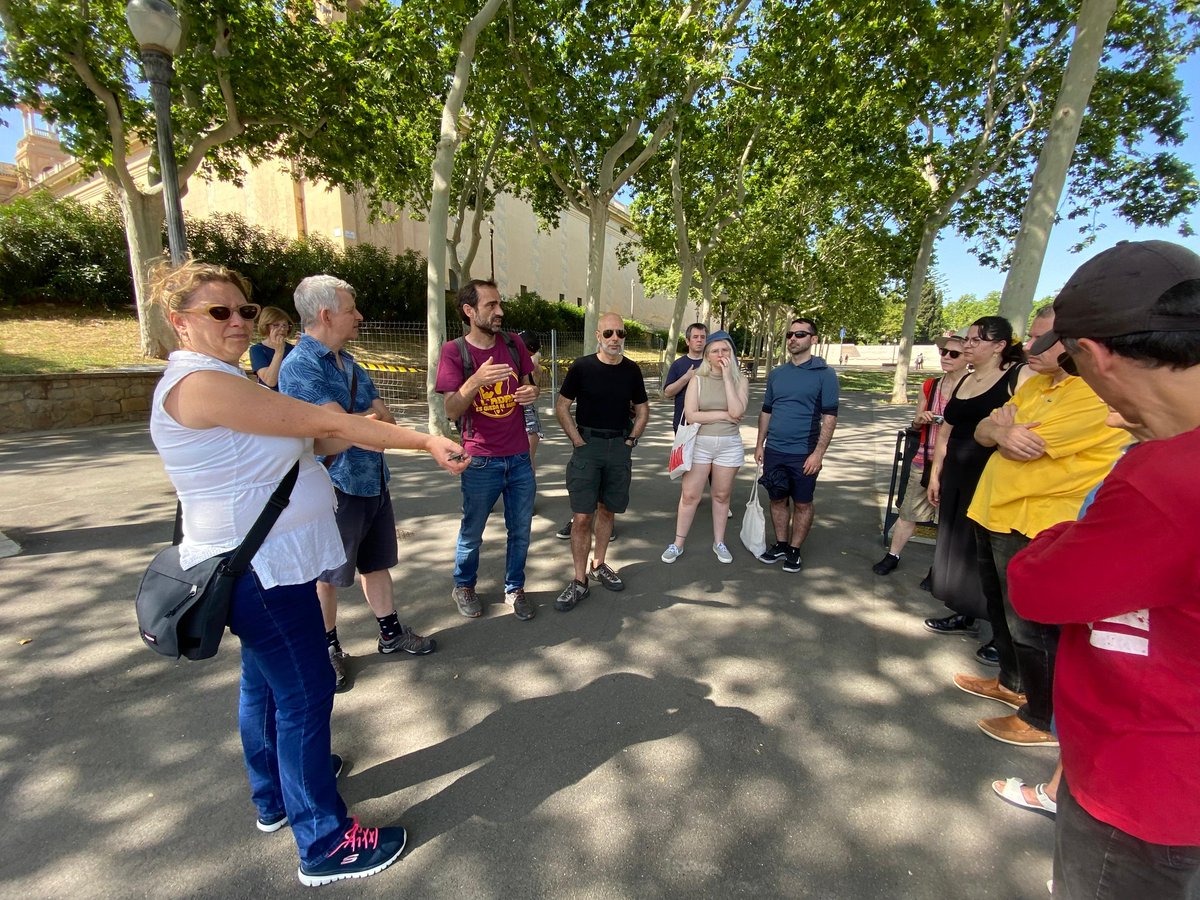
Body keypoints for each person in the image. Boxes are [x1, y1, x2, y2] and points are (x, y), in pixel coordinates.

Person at [147, 260, 467, 886]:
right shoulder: (202, 383)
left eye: (243, 309)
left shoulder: (221, 379)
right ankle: (324, 842)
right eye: (220, 312)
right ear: (179, 322)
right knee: (305, 692)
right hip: (261, 571)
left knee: (265, 687)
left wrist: (343, 430)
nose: (239, 320)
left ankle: (275, 798)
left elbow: (309, 441)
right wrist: (420, 440)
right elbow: (322, 424)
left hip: (261, 566)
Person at [1009, 240, 1200, 898]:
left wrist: (1068, 529)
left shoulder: (1164, 478)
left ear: (1093, 355)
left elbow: (1038, 584)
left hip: (1144, 778)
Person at [951, 307, 1124, 747]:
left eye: (1043, 339)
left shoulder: (1095, 394)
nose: (1029, 346)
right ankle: (1011, 682)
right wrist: (999, 430)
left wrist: (1004, 434)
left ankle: (1042, 717)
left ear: (1076, 343)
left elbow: (1027, 445)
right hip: (994, 511)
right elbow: (985, 432)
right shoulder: (1039, 385)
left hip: (1038, 521)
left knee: (1033, 624)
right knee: (1000, 608)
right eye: (1031, 337)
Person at [279, 275, 435, 694]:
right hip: (335, 488)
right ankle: (327, 649)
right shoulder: (300, 366)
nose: (359, 316)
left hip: (372, 480)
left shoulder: (350, 363)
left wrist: (359, 424)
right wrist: (359, 425)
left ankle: (390, 634)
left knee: (376, 562)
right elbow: (331, 430)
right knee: (326, 575)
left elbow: (383, 419)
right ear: (326, 314)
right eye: (352, 309)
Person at [924, 316, 1025, 664]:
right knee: (958, 546)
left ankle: (1004, 636)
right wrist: (936, 474)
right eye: (967, 339)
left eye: (976, 340)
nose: (967, 345)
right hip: (955, 473)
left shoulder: (1015, 377)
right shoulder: (966, 378)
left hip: (991, 477)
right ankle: (964, 612)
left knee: (989, 554)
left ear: (999, 346)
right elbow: (947, 432)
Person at [436, 280, 538, 622]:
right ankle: (463, 585)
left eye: (499, 304)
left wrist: (531, 393)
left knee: (520, 529)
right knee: (472, 530)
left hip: (519, 457)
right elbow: (451, 409)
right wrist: (476, 380)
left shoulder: (513, 343)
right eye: (491, 305)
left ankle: (515, 588)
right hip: (480, 459)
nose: (500, 311)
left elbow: (532, 383)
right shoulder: (454, 352)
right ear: (469, 311)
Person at [554, 312, 649, 610]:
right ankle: (579, 580)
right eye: (608, 333)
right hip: (588, 447)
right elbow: (562, 406)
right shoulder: (581, 367)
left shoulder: (632, 370)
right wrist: (577, 440)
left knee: (608, 511)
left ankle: (600, 565)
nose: (615, 339)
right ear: (598, 335)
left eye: (620, 333)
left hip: (619, 447)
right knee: (582, 516)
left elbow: (643, 409)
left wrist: (631, 440)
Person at [872, 332, 967, 575]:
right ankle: (893, 555)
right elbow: (915, 423)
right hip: (924, 459)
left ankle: (939, 569)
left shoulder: (974, 389)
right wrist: (920, 419)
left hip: (958, 464)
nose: (946, 357)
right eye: (944, 352)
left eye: (953, 353)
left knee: (949, 520)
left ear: (967, 357)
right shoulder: (930, 385)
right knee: (908, 511)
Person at [754, 317, 839, 573]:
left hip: (804, 453)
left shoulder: (825, 374)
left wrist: (818, 454)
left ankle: (794, 549)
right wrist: (760, 444)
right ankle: (781, 544)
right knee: (777, 499)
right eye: (790, 334)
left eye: (800, 334)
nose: (793, 338)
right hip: (774, 452)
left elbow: (830, 417)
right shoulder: (777, 374)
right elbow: (766, 411)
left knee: (802, 503)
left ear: (813, 340)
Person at [660, 330, 748, 565]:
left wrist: (728, 377)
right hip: (699, 444)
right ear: (707, 356)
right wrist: (723, 415)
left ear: (732, 353)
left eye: (725, 350)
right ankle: (677, 543)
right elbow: (691, 414)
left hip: (729, 445)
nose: (720, 355)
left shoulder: (740, 380)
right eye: (715, 351)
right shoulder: (697, 379)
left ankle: (719, 542)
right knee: (690, 495)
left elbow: (738, 412)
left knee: (721, 495)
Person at [663, 322, 707, 433]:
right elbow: (667, 393)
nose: (699, 340)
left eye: (703, 337)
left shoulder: (711, 364)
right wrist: (686, 377)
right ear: (687, 341)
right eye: (695, 337)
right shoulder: (678, 364)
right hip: (683, 424)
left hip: (707, 425)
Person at [517, 329, 546, 473]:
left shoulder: (533, 365)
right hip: (515, 414)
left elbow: (534, 391)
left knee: (527, 459)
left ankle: (528, 490)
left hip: (528, 415)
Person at [248, 306, 295, 389]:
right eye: (276, 325)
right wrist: (279, 352)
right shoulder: (257, 350)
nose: (282, 329)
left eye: (285, 325)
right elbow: (270, 381)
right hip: (269, 398)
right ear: (266, 326)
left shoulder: (293, 349)